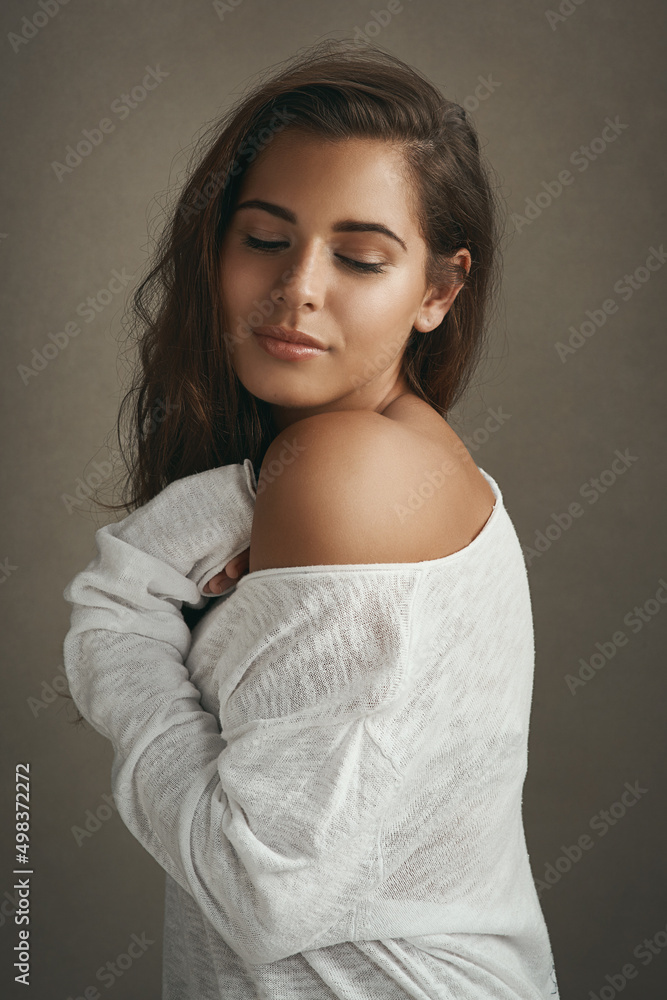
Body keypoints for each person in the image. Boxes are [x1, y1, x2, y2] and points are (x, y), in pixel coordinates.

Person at [62, 39, 560, 998]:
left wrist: (120, 631)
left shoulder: (347, 470)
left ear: (438, 291)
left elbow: (260, 897)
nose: (299, 288)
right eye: (264, 239)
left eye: (361, 257)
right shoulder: (351, 456)